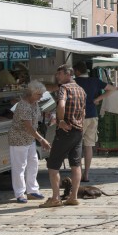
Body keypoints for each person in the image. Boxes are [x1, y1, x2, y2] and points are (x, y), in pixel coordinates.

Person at [40, 65, 86, 208]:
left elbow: (61, 105)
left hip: (66, 130)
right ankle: (73, 196)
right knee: (76, 164)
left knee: (53, 165)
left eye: (59, 73)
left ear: (68, 74)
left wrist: (61, 121)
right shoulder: (81, 90)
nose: (56, 75)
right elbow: (83, 112)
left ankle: (55, 198)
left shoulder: (64, 89)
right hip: (78, 131)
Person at [8, 81, 51, 203]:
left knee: (33, 163)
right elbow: (28, 126)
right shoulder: (23, 106)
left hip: (29, 139)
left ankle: (32, 190)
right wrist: (41, 139)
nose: (41, 97)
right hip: (19, 138)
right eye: (38, 94)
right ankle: (20, 193)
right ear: (31, 93)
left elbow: (34, 121)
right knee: (19, 166)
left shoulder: (34, 103)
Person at [74, 62, 116, 183]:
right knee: (89, 146)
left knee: (76, 146)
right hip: (92, 115)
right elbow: (112, 89)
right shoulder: (95, 81)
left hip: (77, 117)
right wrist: (97, 99)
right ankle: (86, 174)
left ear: (77, 71)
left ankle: (77, 173)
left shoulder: (74, 82)